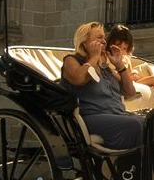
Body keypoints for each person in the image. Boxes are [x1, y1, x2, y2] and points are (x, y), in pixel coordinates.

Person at [61, 20, 144, 150]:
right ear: (84, 42)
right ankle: (127, 167)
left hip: (117, 115)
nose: (105, 41)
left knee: (151, 122)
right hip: (91, 117)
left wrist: (120, 65)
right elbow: (79, 78)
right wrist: (93, 57)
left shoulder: (106, 68)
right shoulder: (71, 60)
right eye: (99, 38)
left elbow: (130, 92)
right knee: (134, 124)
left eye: (104, 38)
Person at [105, 24, 154, 107]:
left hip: (131, 82)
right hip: (122, 83)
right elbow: (113, 74)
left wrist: (134, 74)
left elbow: (129, 73)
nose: (121, 50)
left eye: (124, 48)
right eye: (118, 46)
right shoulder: (108, 58)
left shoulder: (126, 59)